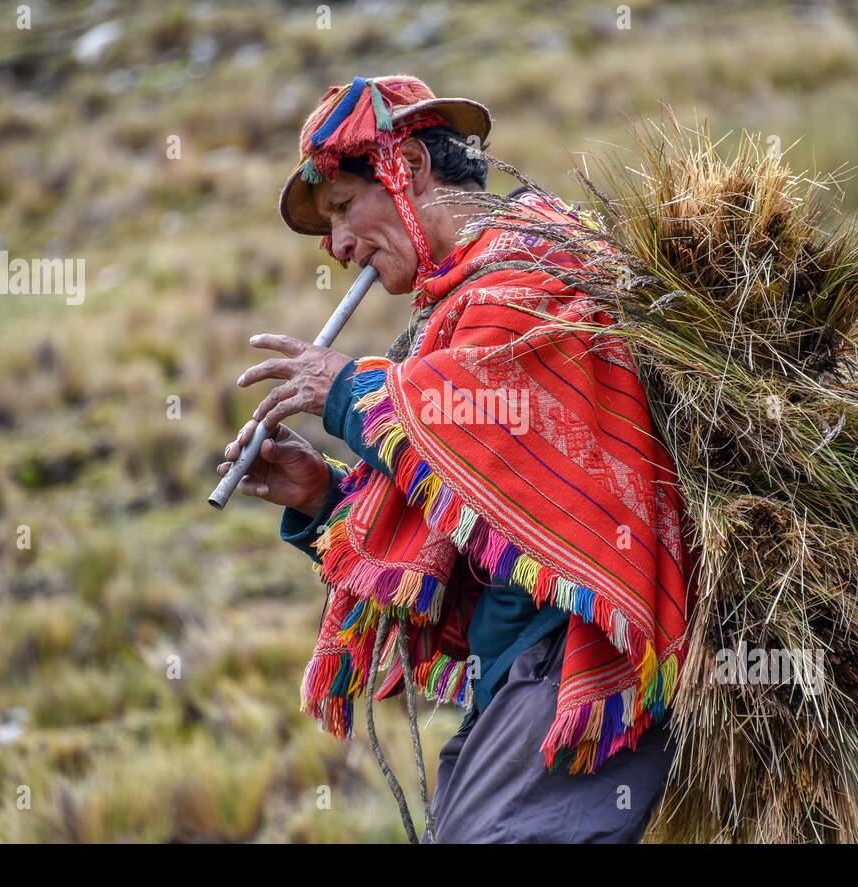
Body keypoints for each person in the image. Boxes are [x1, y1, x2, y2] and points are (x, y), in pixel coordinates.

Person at [216, 75, 694, 843]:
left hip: (574, 662)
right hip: (519, 676)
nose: (337, 248)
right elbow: (482, 517)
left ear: (409, 168)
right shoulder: (455, 316)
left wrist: (345, 390)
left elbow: (480, 412)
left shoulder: (533, 269)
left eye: (342, 210)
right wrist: (321, 498)